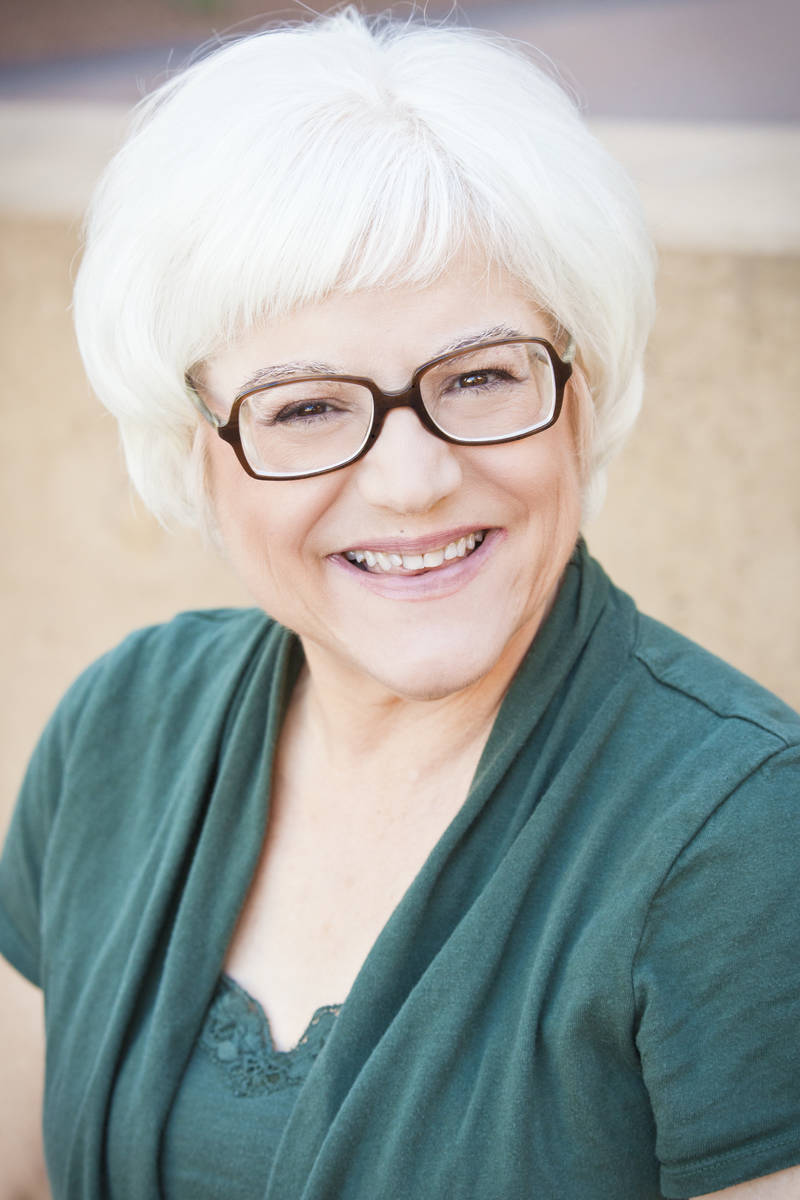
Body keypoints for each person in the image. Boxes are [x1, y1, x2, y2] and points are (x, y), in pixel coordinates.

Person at [1, 9, 798, 1199]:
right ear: (194, 450)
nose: (413, 481)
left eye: (477, 378)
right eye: (305, 407)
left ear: (580, 394)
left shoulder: (746, 841)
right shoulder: (119, 729)